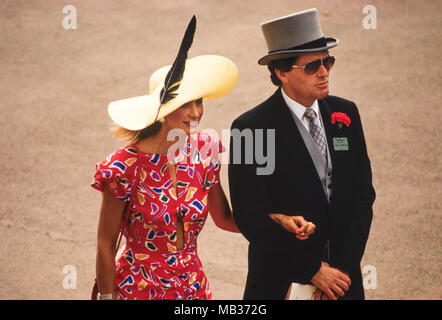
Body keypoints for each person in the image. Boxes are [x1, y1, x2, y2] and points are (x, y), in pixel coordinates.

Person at [91, 15, 245, 299]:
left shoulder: (204, 151)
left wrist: (273, 225)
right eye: (185, 104)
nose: (196, 112)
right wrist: (106, 297)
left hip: (192, 288)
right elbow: (105, 242)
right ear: (162, 110)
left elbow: (223, 218)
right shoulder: (122, 166)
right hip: (137, 289)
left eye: (199, 101)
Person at [228, 8, 375, 300]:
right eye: (311, 66)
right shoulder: (249, 129)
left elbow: (362, 196)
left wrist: (340, 271)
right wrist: (311, 270)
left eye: (327, 61)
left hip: (342, 283)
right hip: (279, 282)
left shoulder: (347, 112)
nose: (323, 72)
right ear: (281, 72)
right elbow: (249, 216)